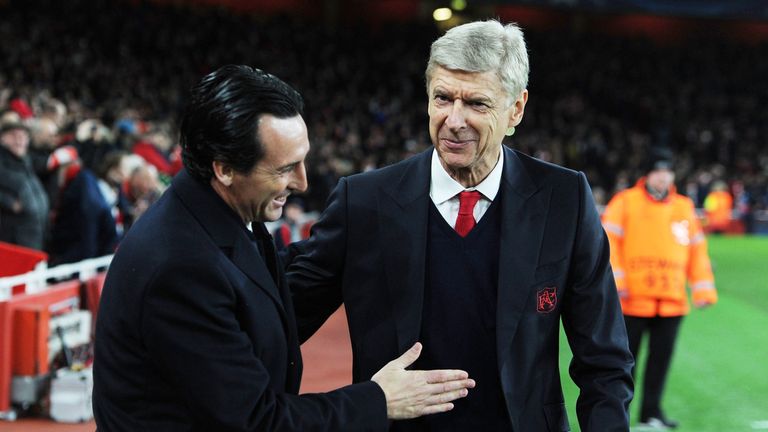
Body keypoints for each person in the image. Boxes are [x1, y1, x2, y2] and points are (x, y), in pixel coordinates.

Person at [288, 20, 633, 431]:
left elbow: (604, 359)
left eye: (476, 104)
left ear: (516, 109)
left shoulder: (565, 200)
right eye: (443, 98)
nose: (454, 120)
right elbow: (280, 316)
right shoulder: (362, 201)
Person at [93, 65, 475, 431]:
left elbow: (265, 290)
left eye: (303, 161)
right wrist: (378, 400)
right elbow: (255, 421)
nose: (302, 182)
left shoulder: (223, 214)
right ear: (224, 168)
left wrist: (355, 236)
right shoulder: (180, 267)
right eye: (282, 169)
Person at [602, 147, 718, 429]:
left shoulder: (683, 207)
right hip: (632, 300)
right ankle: (620, 417)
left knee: (660, 363)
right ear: (647, 174)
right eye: (658, 172)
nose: (663, 178)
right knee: (623, 366)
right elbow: (607, 242)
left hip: (671, 301)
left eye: (667, 172)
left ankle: (651, 413)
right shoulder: (625, 202)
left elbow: (697, 251)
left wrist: (703, 290)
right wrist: (618, 281)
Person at [0, 120, 49, 250]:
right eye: (14, 135)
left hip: (32, 237)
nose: (19, 140)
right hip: (11, 238)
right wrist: (9, 203)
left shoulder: (26, 161)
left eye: (23, 136)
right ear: (3, 138)